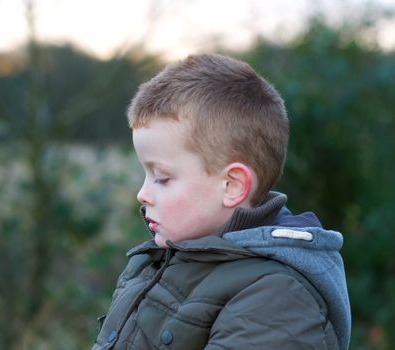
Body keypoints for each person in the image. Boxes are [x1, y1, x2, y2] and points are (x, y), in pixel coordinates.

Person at [92, 53, 351, 350]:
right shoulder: (153, 264)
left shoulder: (277, 298)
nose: (142, 194)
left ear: (231, 185)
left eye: (161, 178)